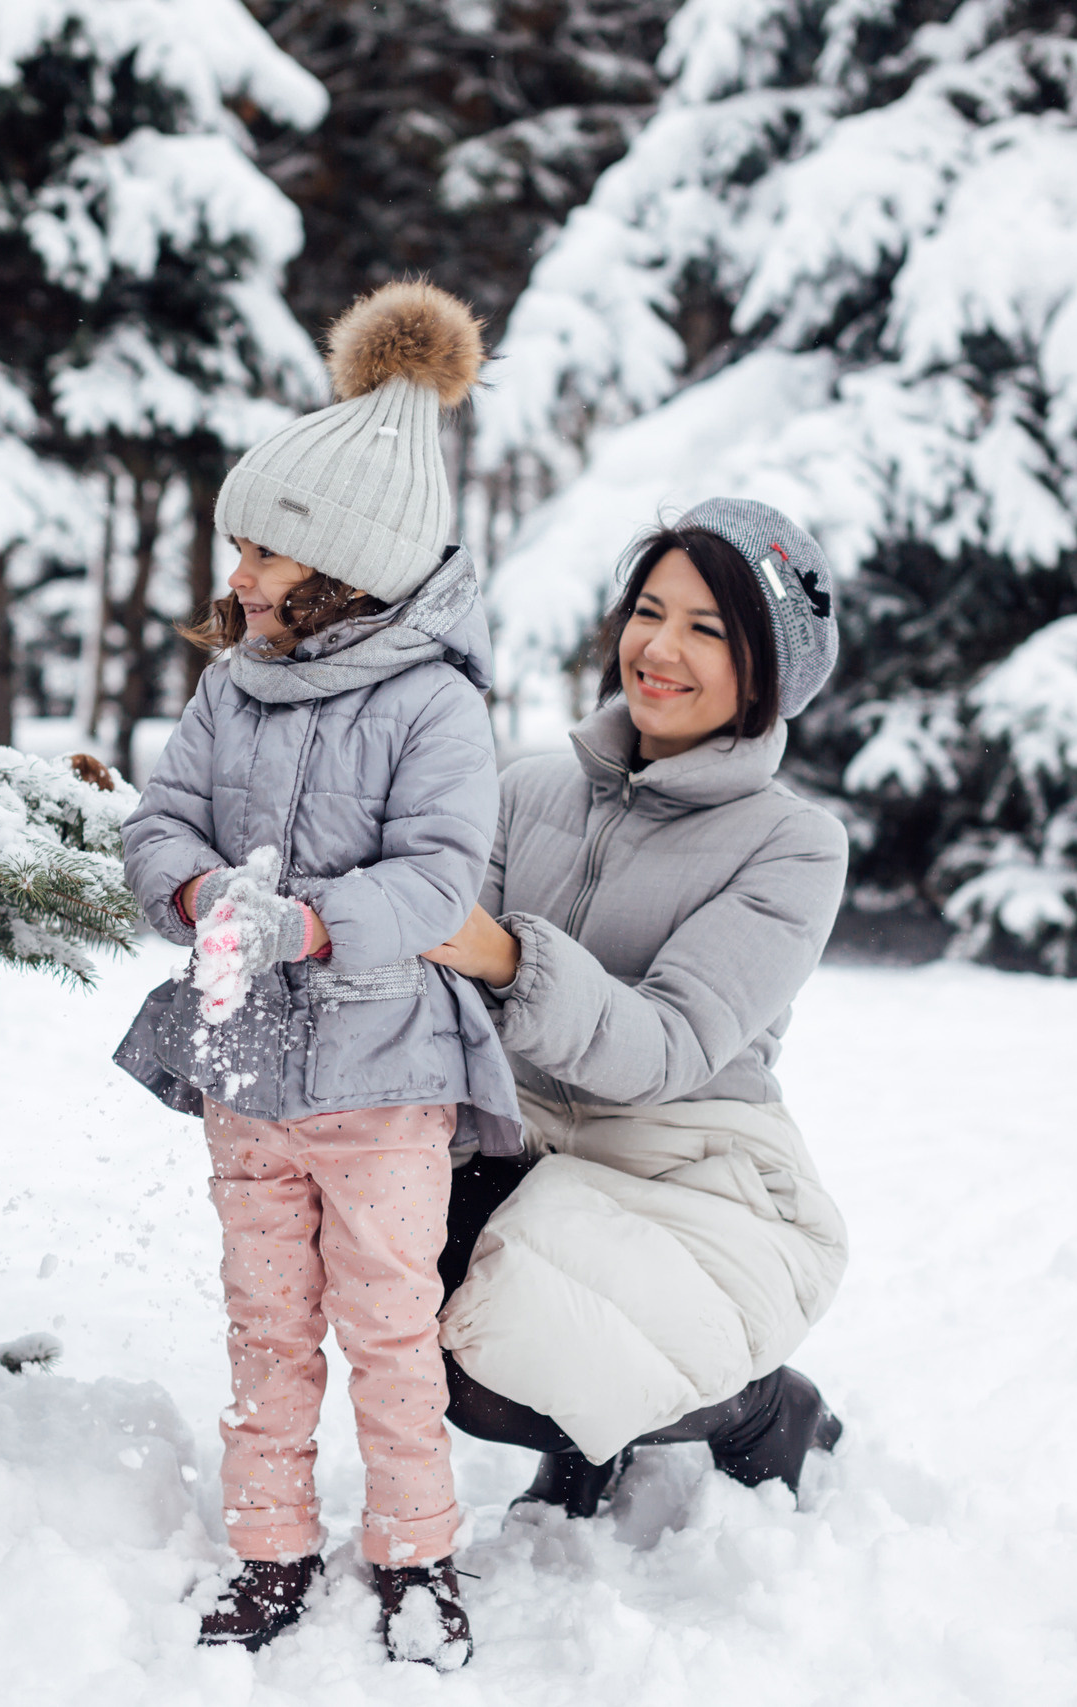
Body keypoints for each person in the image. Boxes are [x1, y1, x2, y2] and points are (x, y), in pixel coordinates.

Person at [114, 280, 521, 1671]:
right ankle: (270, 1543)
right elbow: (161, 820)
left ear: (343, 560)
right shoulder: (232, 684)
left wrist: (301, 924)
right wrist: (195, 893)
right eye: (238, 543)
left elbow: (437, 882)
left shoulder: (434, 703)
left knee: (389, 1327)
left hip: (383, 1076)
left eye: (263, 548)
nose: (238, 573)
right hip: (246, 1071)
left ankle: (415, 1554)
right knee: (266, 1324)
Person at [426, 498, 852, 1519]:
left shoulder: (793, 845)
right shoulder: (528, 790)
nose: (659, 649)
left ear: (767, 671)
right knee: (392, 1297)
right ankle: (597, 1422)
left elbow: (667, 1045)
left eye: (707, 629)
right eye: (649, 612)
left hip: (686, 1167)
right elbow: (440, 995)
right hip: (518, 1140)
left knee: (492, 1370)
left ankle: (761, 1409)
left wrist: (503, 954)